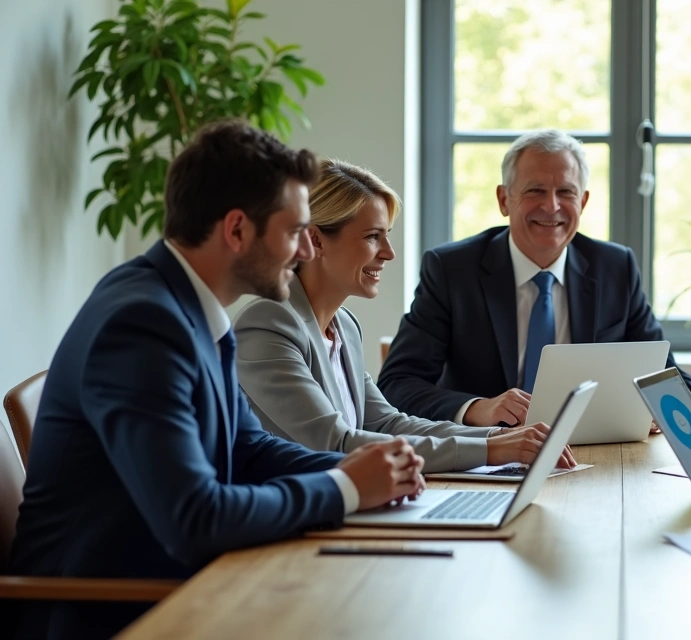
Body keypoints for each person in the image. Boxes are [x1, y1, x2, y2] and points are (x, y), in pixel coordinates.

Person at [9, 121, 425, 639]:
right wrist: (345, 487)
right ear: (236, 230)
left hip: (178, 585)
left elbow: (248, 448)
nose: (304, 251)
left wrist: (362, 470)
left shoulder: (189, 308)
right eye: (295, 231)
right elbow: (195, 519)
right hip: (108, 611)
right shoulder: (141, 324)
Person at [233, 159, 577, 471]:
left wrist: (495, 438)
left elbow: (387, 424)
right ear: (316, 240)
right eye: (372, 237)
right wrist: (490, 452)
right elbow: (335, 444)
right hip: (292, 523)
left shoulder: (344, 326)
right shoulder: (268, 325)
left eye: (387, 236)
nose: (389, 253)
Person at [378, 129, 691, 426]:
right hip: (488, 456)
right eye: (535, 190)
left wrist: (653, 412)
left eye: (566, 191)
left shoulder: (616, 268)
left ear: (583, 202)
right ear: (504, 200)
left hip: (593, 457)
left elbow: (677, 384)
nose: (552, 206)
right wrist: (479, 408)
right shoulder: (452, 270)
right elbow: (397, 384)